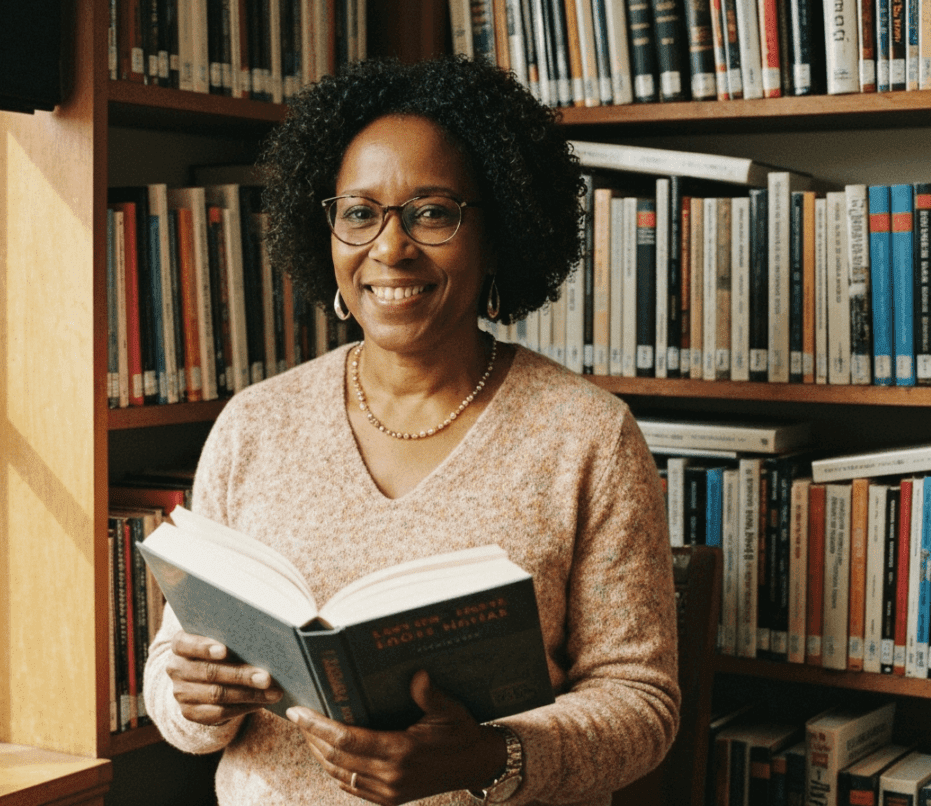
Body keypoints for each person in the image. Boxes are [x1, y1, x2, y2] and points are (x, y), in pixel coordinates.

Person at [143, 56, 679, 806]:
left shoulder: (586, 435)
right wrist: (191, 700)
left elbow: (641, 705)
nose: (390, 248)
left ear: (497, 233)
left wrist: (489, 758)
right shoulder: (255, 423)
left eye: (431, 212)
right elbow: (172, 666)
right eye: (359, 213)